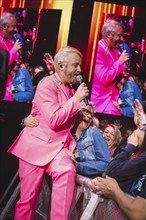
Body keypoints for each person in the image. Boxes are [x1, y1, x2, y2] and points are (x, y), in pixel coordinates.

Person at [7, 46, 89, 220]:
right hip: (36, 146)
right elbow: (53, 120)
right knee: (28, 200)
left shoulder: (71, 90)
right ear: (61, 67)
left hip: (58, 148)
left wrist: (72, 146)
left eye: (79, 66)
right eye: (75, 65)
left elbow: (69, 126)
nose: (80, 70)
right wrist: (76, 101)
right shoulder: (46, 83)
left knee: (67, 171)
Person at [105, 99, 146, 198]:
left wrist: (130, 147)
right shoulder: (138, 150)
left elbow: (111, 170)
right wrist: (142, 121)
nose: (135, 132)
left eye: (140, 128)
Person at [90, 19, 129, 115]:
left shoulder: (114, 50)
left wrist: (124, 69)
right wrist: (120, 62)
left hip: (112, 97)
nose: (122, 39)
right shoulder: (98, 50)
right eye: (119, 36)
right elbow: (104, 78)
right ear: (108, 34)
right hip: (100, 101)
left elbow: (117, 72)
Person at [69, 103, 111, 178]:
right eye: (86, 111)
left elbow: (105, 164)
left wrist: (78, 166)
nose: (89, 116)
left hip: (88, 184)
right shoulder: (67, 134)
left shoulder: (94, 133)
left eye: (92, 115)